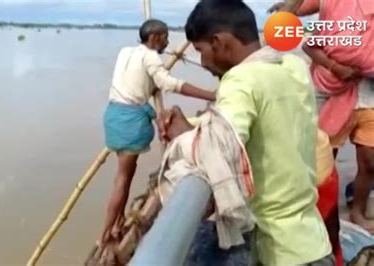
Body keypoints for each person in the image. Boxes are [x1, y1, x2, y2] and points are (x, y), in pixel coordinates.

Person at [158, 0, 334, 264]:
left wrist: (183, 135)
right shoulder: (293, 67)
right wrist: (199, 125)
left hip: (281, 252)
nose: (203, 62)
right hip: (312, 241)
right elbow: (265, 119)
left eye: (200, 50)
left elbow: (217, 147)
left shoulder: (241, 80)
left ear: (219, 42)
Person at [100, 19, 215, 244]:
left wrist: (150, 90)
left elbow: (133, 85)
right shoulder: (150, 57)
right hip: (130, 120)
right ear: (154, 38)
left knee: (123, 175)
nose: (167, 41)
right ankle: (106, 232)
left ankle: (117, 223)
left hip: (113, 115)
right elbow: (170, 84)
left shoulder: (125, 51)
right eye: (164, 37)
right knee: (123, 179)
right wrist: (211, 95)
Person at [271, 0, 374, 234]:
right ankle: (315, 208)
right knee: (323, 155)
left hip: (369, 91)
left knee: (370, 160)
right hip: (330, 84)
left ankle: (357, 210)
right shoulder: (331, 3)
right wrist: (334, 65)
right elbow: (300, 34)